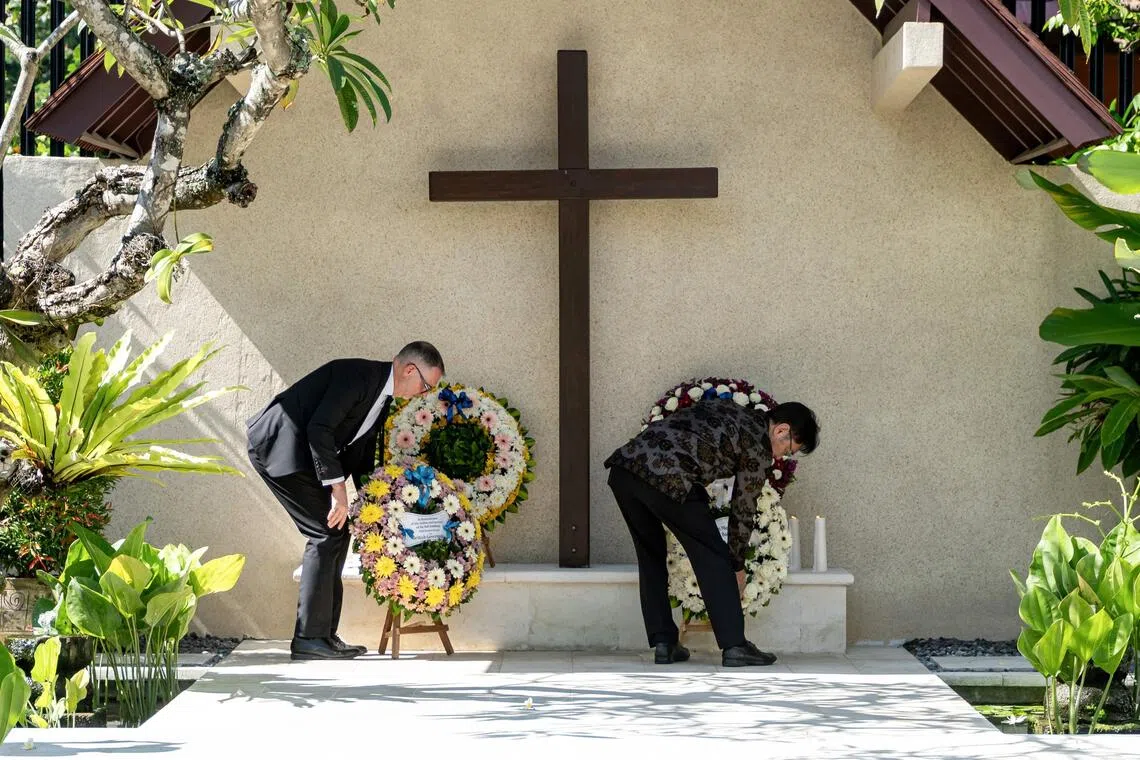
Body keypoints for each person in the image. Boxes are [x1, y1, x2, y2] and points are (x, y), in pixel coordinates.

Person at [247, 341, 445, 660]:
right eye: (426, 386)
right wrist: (338, 489)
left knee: (338, 533)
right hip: (277, 448)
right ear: (410, 370)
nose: (424, 394)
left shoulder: (383, 398)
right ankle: (309, 638)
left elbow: (360, 453)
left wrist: (376, 503)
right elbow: (320, 429)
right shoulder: (357, 375)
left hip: (304, 457)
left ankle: (323, 635)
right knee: (325, 533)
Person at [604, 397, 819, 667]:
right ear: (780, 430)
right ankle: (735, 645)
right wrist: (737, 565)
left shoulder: (730, 408)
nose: (780, 457)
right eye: (788, 450)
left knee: (650, 552)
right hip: (671, 476)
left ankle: (664, 642)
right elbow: (743, 510)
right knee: (712, 554)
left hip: (626, 469)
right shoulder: (758, 447)